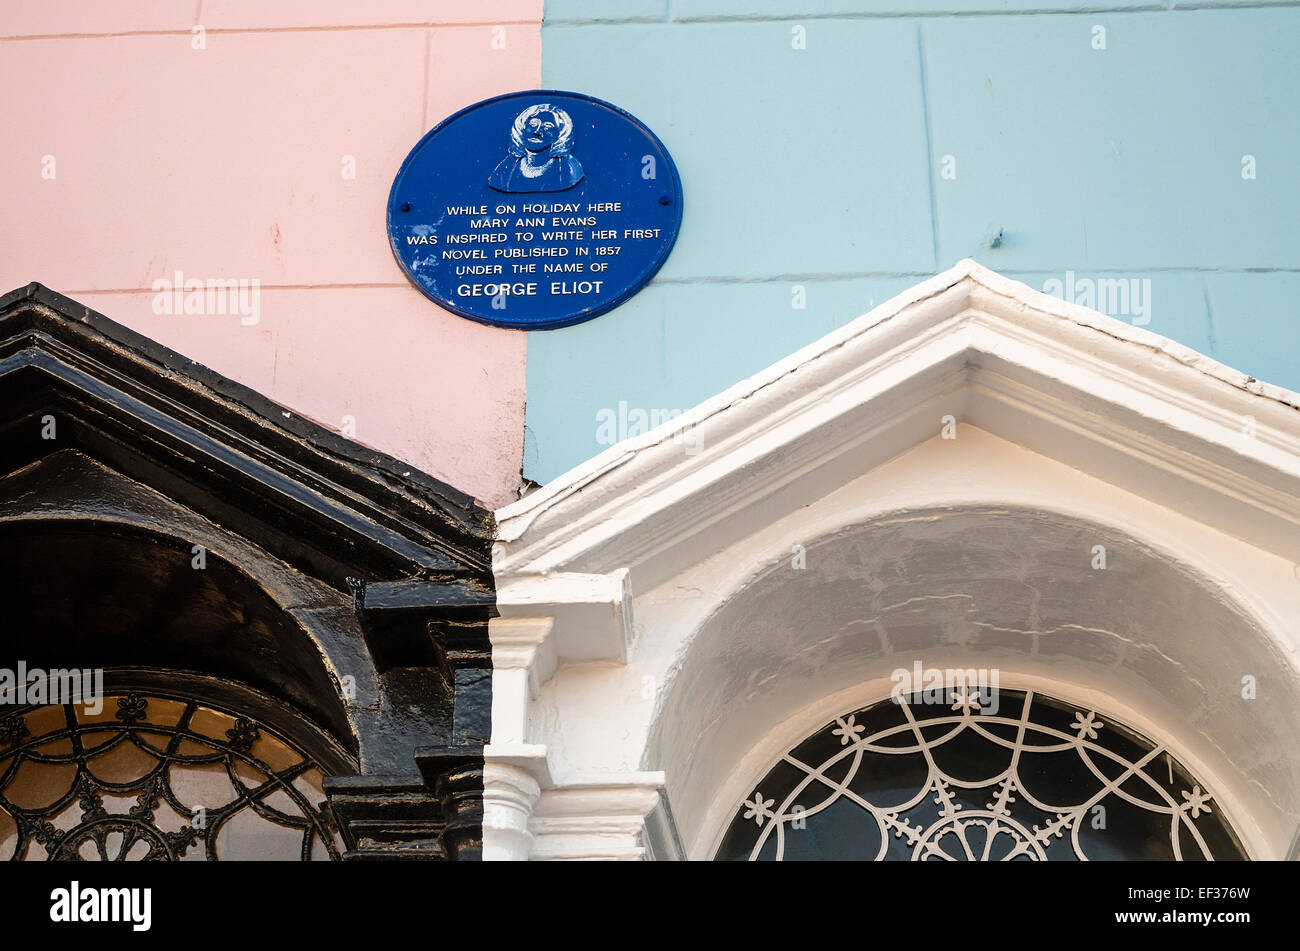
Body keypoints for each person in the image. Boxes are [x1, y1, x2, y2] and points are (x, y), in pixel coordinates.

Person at [488, 103, 585, 193]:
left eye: (547, 126)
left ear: (560, 133)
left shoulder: (568, 168)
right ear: (522, 129)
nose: (537, 131)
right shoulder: (506, 169)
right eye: (533, 124)